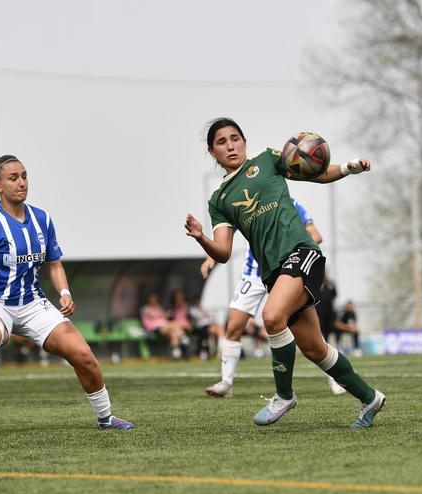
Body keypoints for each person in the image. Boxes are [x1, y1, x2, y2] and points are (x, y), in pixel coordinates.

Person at [185, 117, 385, 429]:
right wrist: (201, 237)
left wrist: (348, 167)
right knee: (314, 348)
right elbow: (223, 252)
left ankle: (284, 395)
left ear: (245, 141)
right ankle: (369, 398)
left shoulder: (267, 159)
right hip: (274, 272)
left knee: (272, 315)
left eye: (235, 138)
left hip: (302, 254)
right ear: (212, 152)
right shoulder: (219, 201)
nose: (230, 145)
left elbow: (314, 171)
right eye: (222, 142)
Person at [0, 136, 134, 436]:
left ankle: (106, 417)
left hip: (33, 304)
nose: (21, 182)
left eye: (24, 176)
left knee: (83, 354)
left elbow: (54, 262)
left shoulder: (42, 219)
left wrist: (64, 292)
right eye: (13, 178)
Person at [202, 196, 324, 397]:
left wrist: (292, 241)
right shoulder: (244, 204)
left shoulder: (290, 204)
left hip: (284, 272)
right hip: (253, 273)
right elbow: (224, 238)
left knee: (308, 331)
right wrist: (211, 257)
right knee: (233, 326)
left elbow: (315, 235)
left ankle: (335, 378)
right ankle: (226, 383)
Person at [140, 293, 187, 359]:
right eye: (152, 300)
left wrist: (165, 316)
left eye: (155, 300)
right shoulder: (146, 309)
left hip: (165, 326)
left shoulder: (158, 308)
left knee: (173, 334)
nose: (154, 301)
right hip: (155, 329)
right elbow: (145, 322)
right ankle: (182, 336)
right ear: (149, 301)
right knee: (175, 324)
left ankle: (176, 354)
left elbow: (164, 318)